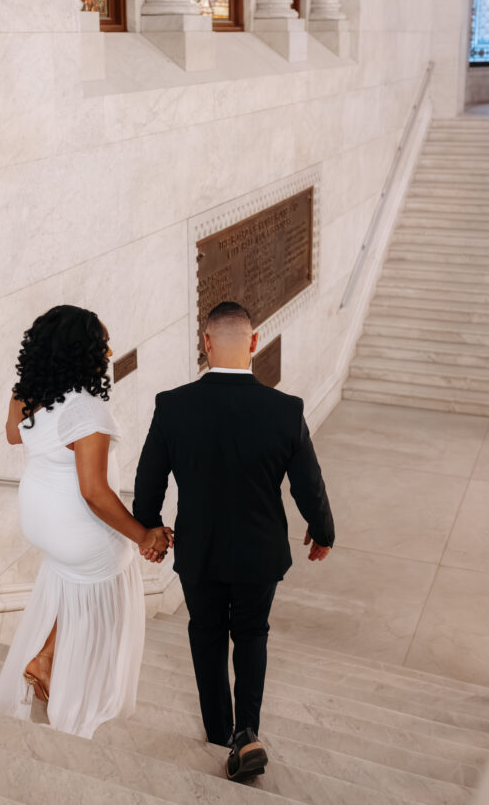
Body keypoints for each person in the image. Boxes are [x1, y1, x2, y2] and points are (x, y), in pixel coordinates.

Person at [132, 301, 334, 781]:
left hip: (199, 552)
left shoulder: (172, 405)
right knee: (251, 633)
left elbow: (147, 484)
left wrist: (152, 528)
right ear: (253, 341)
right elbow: (310, 484)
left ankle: (219, 732)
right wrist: (322, 530)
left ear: (205, 343)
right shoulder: (285, 410)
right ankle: (248, 732)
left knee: (205, 633)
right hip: (259, 554)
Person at [0, 305, 172, 738]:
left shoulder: (26, 391)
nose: (108, 350)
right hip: (77, 528)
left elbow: (15, 434)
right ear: (81, 352)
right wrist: (144, 535)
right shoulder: (87, 411)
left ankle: (45, 658)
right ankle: (75, 692)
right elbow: (94, 492)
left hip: (39, 521)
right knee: (113, 569)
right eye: (101, 343)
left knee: (70, 578)